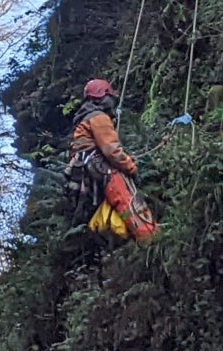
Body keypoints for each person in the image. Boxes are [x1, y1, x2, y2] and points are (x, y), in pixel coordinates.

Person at [66, 77, 158, 242]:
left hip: (88, 168)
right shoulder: (98, 117)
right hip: (101, 167)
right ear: (102, 96)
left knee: (113, 205)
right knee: (126, 198)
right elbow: (111, 150)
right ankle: (149, 238)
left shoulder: (85, 117)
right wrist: (130, 166)